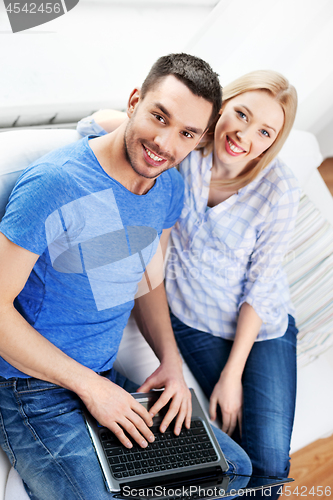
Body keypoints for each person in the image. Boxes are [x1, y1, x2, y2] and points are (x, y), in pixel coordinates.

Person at [0, 53, 252, 500]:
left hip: (104, 380)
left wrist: (170, 364)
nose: (165, 143)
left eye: (186, 133)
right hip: (29, 390)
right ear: (134, 101)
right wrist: (90, 387)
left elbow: (147, 281)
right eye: (160, 116)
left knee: (232, 470)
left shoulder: (167, 187)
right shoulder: (54, 184)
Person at [79, 69, 300, 499]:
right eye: (240, 113)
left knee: (271, 465)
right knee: (235, 457)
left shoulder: (279, 189)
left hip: (262, 327)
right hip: (192, 321)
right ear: (222, 108)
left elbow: (262, 285)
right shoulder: (185, 151)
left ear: (273, 142)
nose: (244, 134)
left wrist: (232, 377)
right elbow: (98, 124)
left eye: (264, 131)